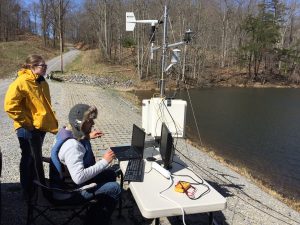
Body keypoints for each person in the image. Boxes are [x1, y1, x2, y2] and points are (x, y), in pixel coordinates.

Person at [50, 104, 121, 225]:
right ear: (79, 124)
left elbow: (75, 138)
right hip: (69, 192)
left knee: (109, 174)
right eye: (89, 121)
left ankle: (95, 212)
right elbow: (79, 178)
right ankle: (95, 220)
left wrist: (87, 136)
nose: (93, 124)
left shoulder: (65, 131)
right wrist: (104, 161)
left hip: (67, 183)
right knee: (115, 188)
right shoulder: (72, 146)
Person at [4, 55, 58, 198]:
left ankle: (35, 187)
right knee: (28, 157)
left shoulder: (42, 82)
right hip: (26, 128)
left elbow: (43, 106)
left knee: (35, 158)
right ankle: (27, 191)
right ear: (31, 67)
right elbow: (10, 106)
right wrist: (27, 123)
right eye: (42, 65)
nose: (45, 67)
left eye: (45, 65)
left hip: (39, 128)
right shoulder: (21, 81)